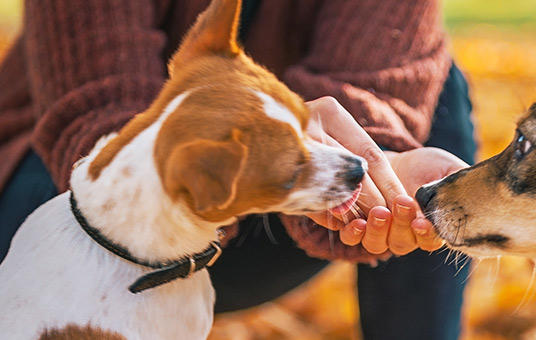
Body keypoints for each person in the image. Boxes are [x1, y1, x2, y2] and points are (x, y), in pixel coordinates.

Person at [0, 1, 475, 339]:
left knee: (443, 89)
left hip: (251, 217)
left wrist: (384, 162)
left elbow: (374, 76)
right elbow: (98, 96)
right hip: (76, 189)